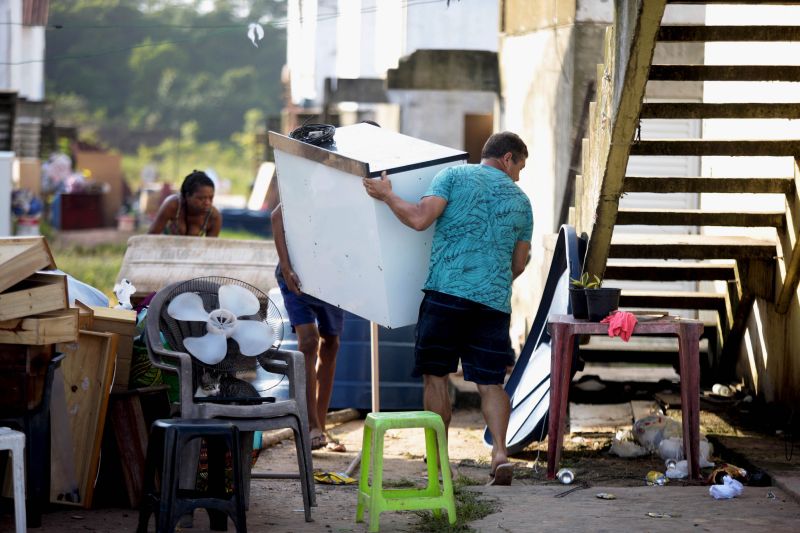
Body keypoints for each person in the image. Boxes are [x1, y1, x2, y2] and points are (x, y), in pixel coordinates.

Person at [362, 131, 532, 486]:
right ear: (507, 158)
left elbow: (421, 218)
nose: (519, 176)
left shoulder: (453, 176)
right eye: (520, 166)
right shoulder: (522, 202)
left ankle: (439, 460)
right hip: (493, 304)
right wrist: (491, 278)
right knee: (490, 382)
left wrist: (388, 194)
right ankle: (500, 452)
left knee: (436, 376)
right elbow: (518, 263)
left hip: (446, 295)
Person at [266, 172, 344, 450]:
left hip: (331, 275)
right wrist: (286, 268)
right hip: (297, 273)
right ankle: (310, 425)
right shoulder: (320, 179)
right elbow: (277, 216)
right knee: (308, 342)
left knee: (331, 343)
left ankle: (320, 424)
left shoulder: (360, 188)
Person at [148, 170, 222, 236]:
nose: (207, 203)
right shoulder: (173, 206)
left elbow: (210, 248)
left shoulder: (213, 217)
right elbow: (151, 237)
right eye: (201, 198)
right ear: (187, 196)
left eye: (211, 198)